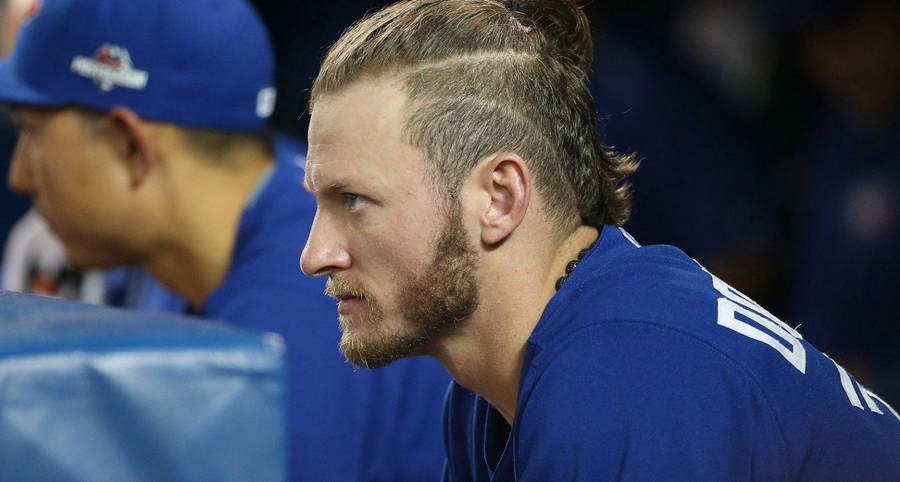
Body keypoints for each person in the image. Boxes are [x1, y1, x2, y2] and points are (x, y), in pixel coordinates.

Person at [299, 0, 900, 480]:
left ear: (500, 198)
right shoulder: (494, 385)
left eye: (354, 201)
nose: (314, 256)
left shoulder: (622, 378)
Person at [0, 0, 450, 480]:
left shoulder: (300, 314)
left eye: (31, 131)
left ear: (130, 146)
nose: (18, 176)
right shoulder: (202, 234)